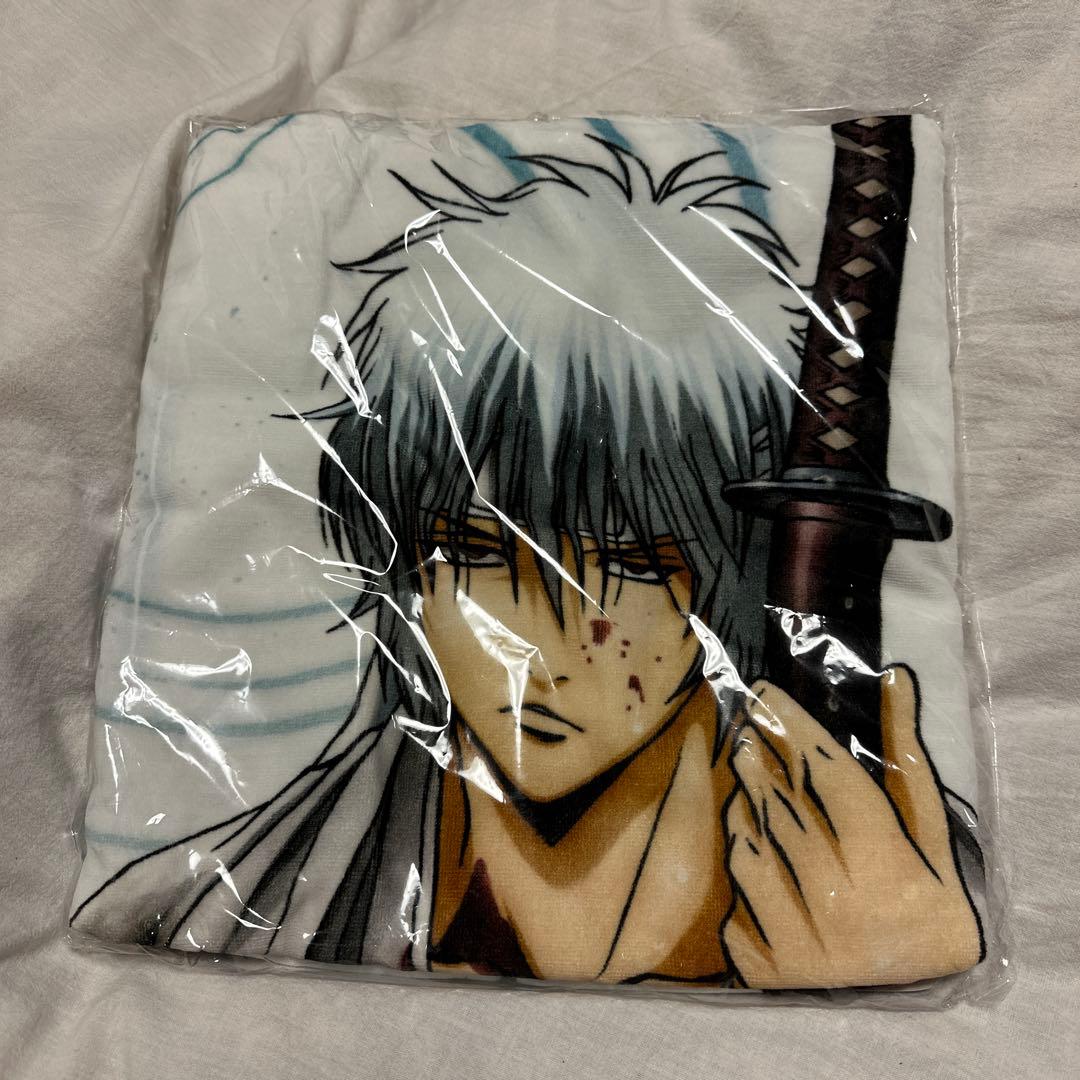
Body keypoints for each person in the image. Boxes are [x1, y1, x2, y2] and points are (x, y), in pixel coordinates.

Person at [73, 132, 982, 988]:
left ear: (736, 570)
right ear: (405, 557)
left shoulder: (929, 894)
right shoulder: (183, 921)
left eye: (630, 562)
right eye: (474, 551)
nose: (541, 648)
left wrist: (894, 968)